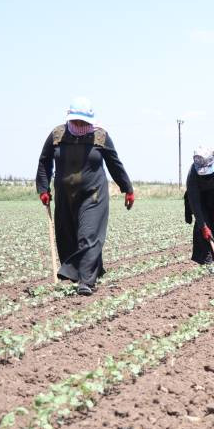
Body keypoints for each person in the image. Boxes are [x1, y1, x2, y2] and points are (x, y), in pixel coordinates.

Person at [35, 96, 134, 296]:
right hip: (65, 195)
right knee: (67, 236)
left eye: (83, 121)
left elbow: (114, 164)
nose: (79, 125)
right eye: (76, 121)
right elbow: (44, 162)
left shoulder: (100, 136)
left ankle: (86, 281)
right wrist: (43, 189)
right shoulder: (57, 135)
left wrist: (127, 188)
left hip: (93, 194)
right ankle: (82, 273)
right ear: (69, 118)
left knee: (88, 235)